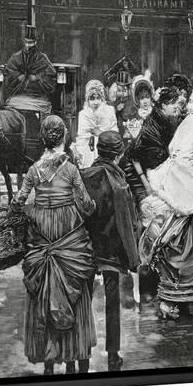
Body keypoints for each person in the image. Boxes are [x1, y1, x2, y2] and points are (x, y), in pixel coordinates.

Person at [13, 115, 97, 374]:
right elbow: (87, 205)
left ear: (43, 139)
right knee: (74, 294)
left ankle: (49, 362)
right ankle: (74, 358)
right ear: (64, 138)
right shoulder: (71, 169)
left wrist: (37, 211)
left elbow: (18, 202)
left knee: (45, 293)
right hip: (69, 232)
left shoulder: (33, 170)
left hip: (42, 232)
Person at [139, 85, 193, 320]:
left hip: (187, 188)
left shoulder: (191, 120)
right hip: (189, 187)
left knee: (192, 246)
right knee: (186, 246)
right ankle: (174, 301)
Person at [81, 131, 140, 371]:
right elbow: (127, 224)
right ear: (118, 155)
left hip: (86, 248)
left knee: (83, 301)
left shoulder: (84, 175)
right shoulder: (119, 183)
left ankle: (82, 352)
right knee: (112, 303)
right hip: (111, 252)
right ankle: (113, 354)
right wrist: (134, 259)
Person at [3, 25, 57, 118]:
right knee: (9, 107)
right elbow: (9, 73)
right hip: (19, 93)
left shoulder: (42, 58)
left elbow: (51, 75)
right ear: (23, 41)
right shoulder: (16, 57)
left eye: (31, 43)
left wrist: (37, 78)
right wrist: (18, 77)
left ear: (35, 42)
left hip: (38, 95)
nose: (28, 45)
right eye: (26, 42)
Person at [73, 80, 118, 168]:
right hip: (87, 153)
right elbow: (81, 137)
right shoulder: (83, 114)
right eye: (92, 98)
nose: (96, 102)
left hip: (106, 153)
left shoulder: (109, 111)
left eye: (98, 98)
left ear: (102, 99)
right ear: (88, 100)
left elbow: (115, 135)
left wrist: (101, 133)